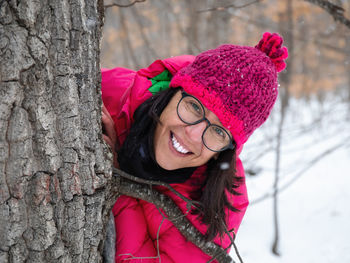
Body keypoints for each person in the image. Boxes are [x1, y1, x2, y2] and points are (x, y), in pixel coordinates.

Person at [101, 32, 288, 262]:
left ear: (225, 149)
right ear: (172, 93)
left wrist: (115, 176)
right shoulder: (109, 94)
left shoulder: (220, 209)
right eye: (194, 106)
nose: (193, 134)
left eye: (218, 132)